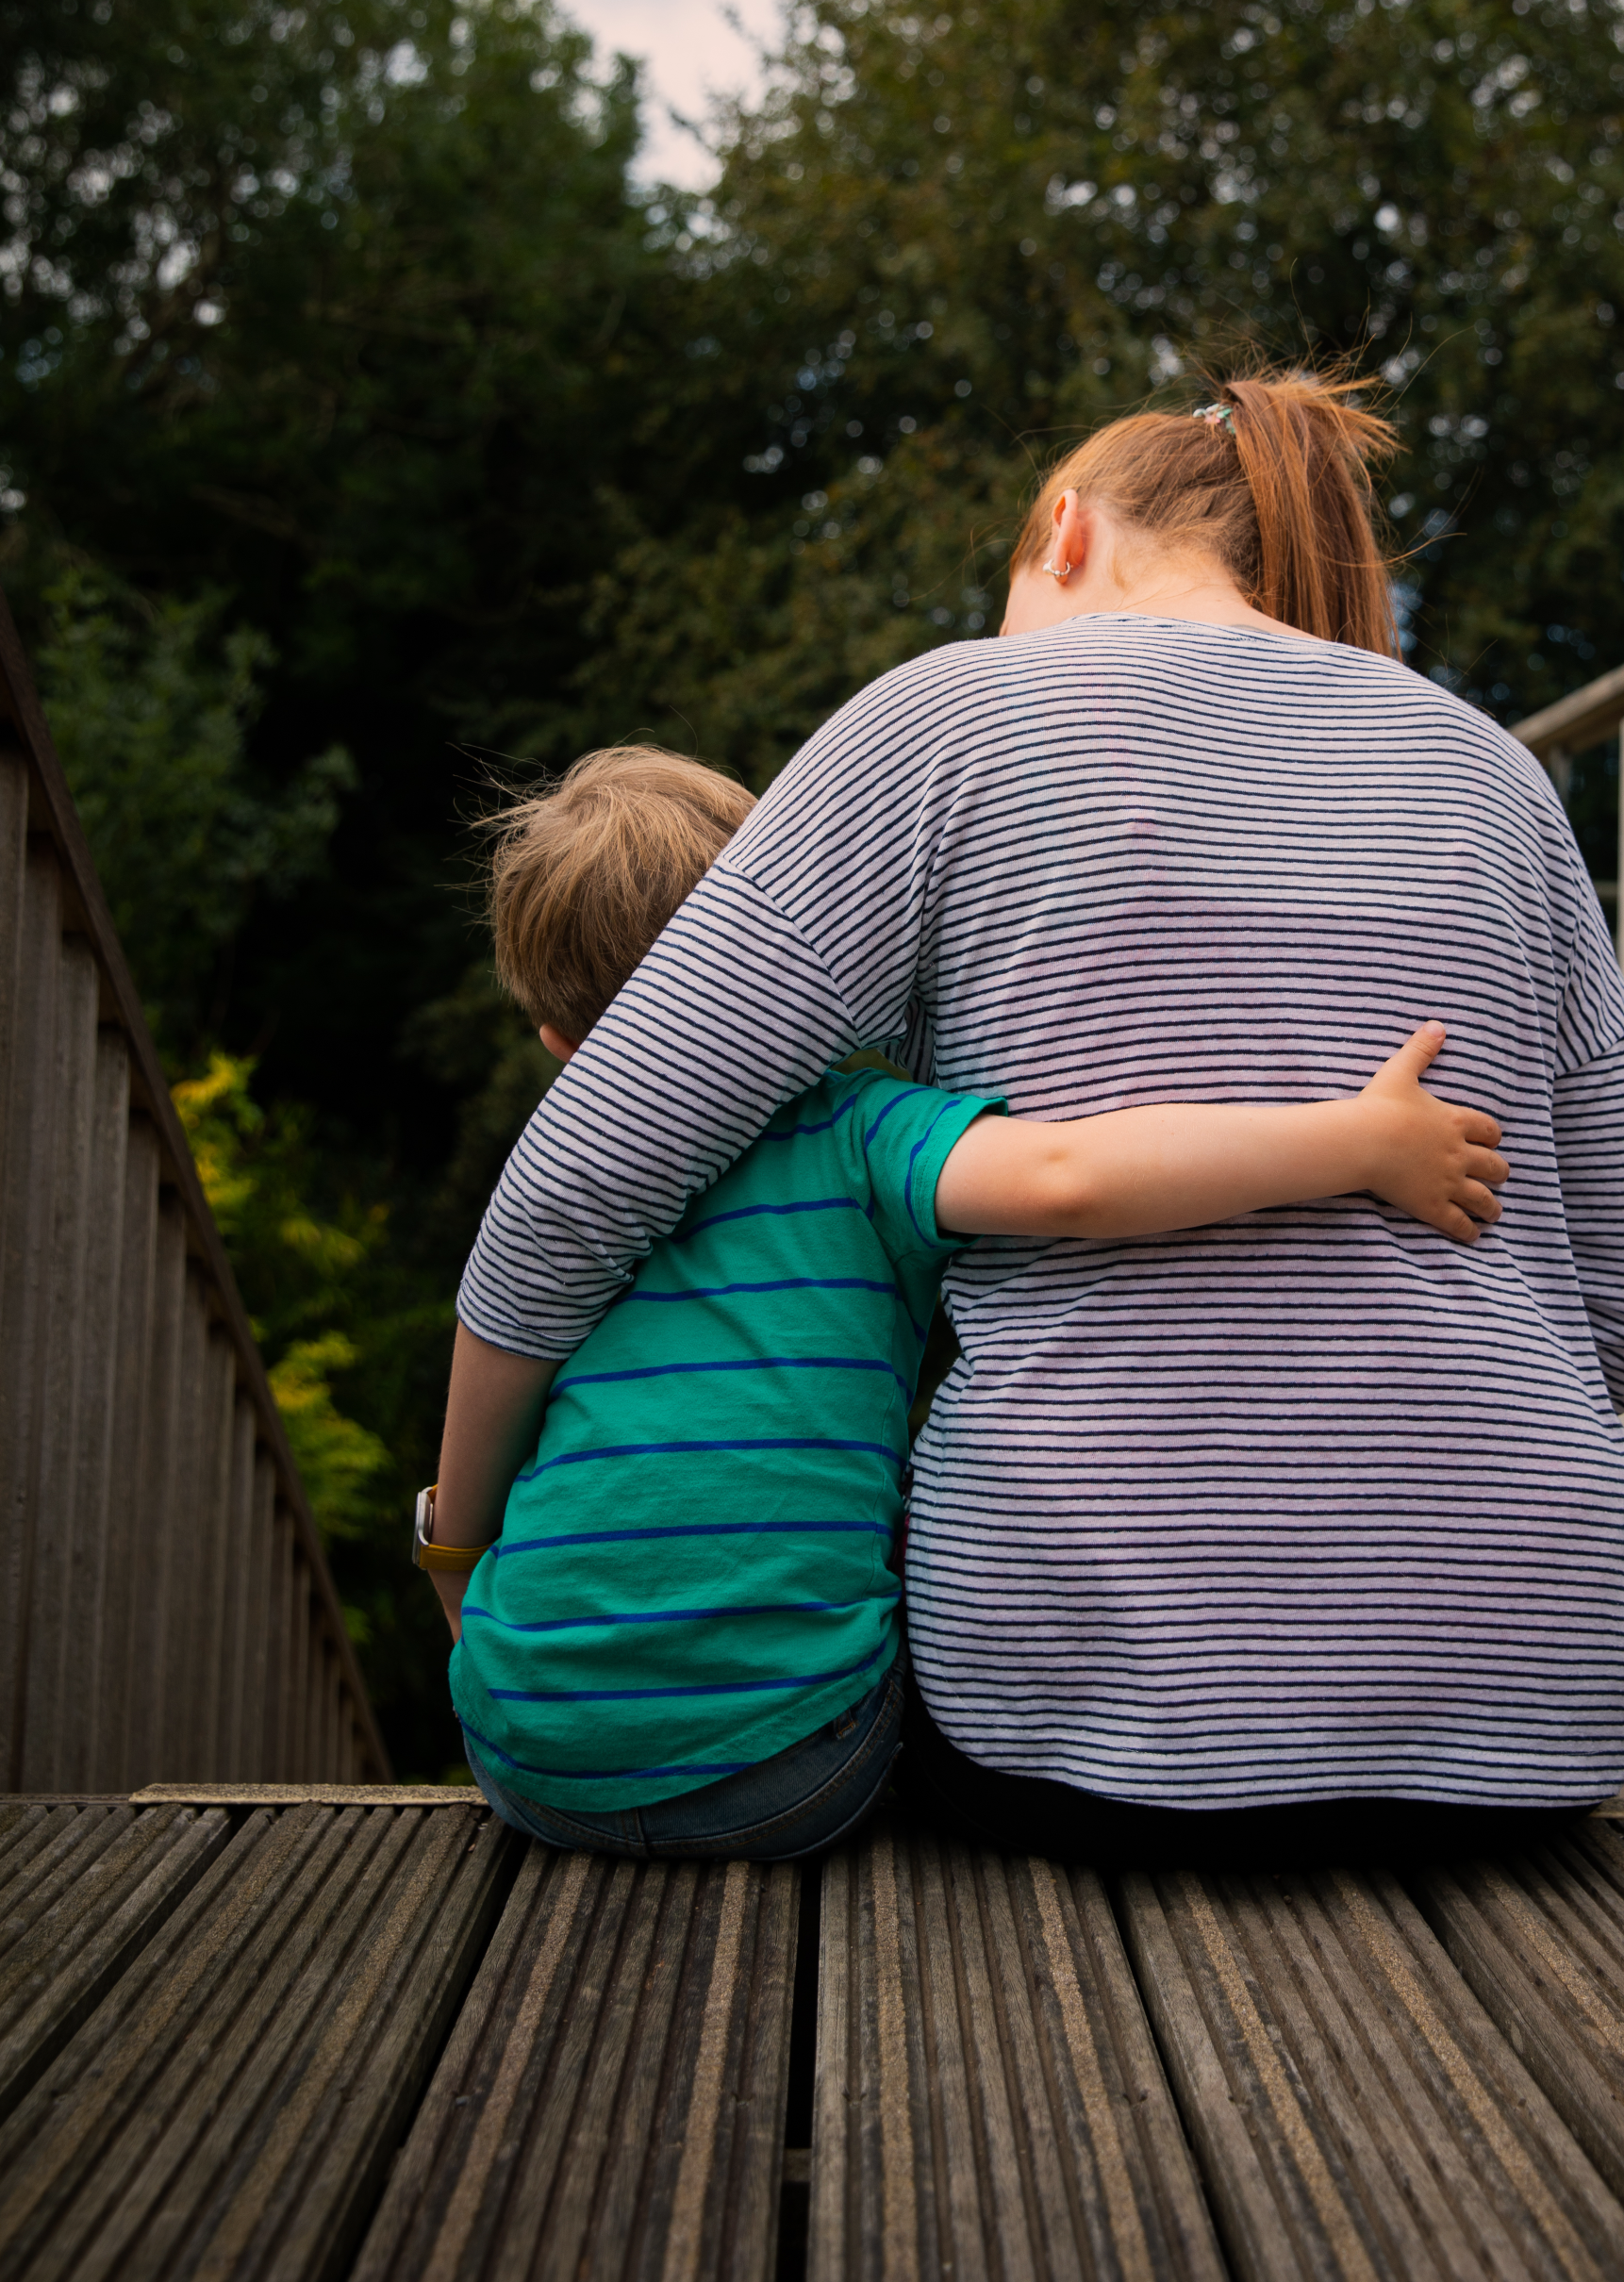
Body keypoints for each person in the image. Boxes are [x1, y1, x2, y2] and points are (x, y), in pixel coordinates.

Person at [456, 370, 1624, 1869]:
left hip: (1097, 1735)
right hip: (1531, 1727)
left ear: (1062, 531)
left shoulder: (948, 715)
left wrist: (459, 1532)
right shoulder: (1498, 774)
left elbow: (576, 1190)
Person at [427, 744, 1507, 1859]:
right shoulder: (858, 1133)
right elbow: (1070, 1179)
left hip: (527, 1761)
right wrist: (1355, 1145)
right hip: (789, 1770)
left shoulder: (570, 1203)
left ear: (561, 1046)